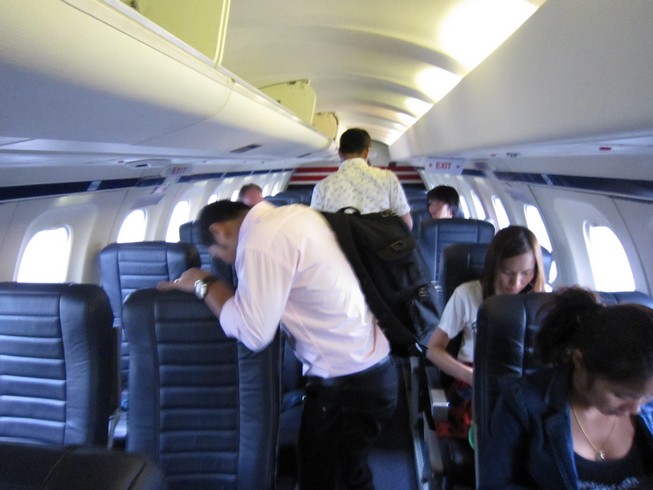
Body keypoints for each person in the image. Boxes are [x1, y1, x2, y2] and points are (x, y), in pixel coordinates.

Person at [158, 199, 397, 490]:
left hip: (346, 386)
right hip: (369, 372)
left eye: (220, 254)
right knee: (349, 476)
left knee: (326, 482)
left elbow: (254, 333)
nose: (228, 262)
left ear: (219, 231)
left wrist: (205, 284)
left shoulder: (261, 241)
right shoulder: (297, 215)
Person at [481, 287, 653, 489]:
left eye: (647, 397)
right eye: (621, 395)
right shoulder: (523, 402)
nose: (636, 408)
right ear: (580, 362)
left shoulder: (647, 410)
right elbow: (495, 484)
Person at [426, 225, 546, 439]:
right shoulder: (467, 294)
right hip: (474, 375)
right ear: (494, 265)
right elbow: (433, 349)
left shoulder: (540, 303)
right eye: (507, 272)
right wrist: (470, 375)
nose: (516, 283)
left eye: (526, 273)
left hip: (521, 381)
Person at [310, 128, 413, 230]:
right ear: (367, 152)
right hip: (379, 240)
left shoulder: (322, 186)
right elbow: (407, 223)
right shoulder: (387, 178)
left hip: (340, 240)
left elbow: (313, 227)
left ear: (340, 152)